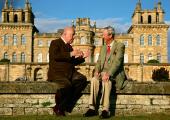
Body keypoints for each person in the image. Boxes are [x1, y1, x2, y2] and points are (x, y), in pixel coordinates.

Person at [84, 26, 127, 118]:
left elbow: (117, 62)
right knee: (94, 80)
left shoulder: (120, 46)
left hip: (114, 74)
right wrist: (96, 71)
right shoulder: (103, 47)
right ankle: (92, 108)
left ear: (110, 35)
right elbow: (99, 61)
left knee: (106, 82)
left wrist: (109, 74)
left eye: (103, 35)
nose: (102, 37)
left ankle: (105, 110)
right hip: (102, 73)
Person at [47, 26, 89, 116]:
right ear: (65, 34)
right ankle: (61, 108)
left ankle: (60, 106)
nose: (74, 37)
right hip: (57, 73)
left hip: (70, 73)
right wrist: (71, 53)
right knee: (67, 86)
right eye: (72, 35)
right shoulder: (55, 43)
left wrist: (83, 57)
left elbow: (72, 62)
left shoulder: (69, 46)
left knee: (82, 79)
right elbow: (55, 56)